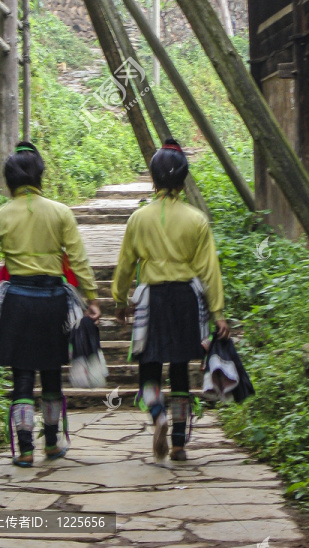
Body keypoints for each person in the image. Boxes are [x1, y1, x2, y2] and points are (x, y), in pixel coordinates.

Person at [0, 141, 100, 467]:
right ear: (40, 176)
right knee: (51, 372)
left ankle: (24, 449)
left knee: (22, 376)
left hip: (18, 301)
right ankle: (52, 443)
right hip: (53, 300)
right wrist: (91, 297)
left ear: (9, 180)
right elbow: (78, 259)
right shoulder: (60, 212)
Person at [111, 140, 229, 462]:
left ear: (154, 179)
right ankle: (178, 442)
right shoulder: (196, 220)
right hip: (186, 300)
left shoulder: (138, 219)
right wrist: (217, 312)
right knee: (179, 369)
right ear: (182, 180)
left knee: (148, 369)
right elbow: (209, 270)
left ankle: (157, 413)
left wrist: (119, 299)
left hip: (152, 299)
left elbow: (125, 264)